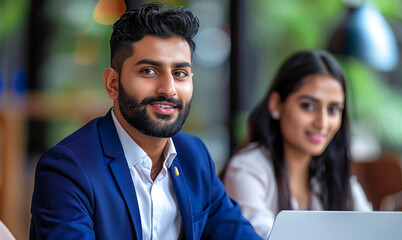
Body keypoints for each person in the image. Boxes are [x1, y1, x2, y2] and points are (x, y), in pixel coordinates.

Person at [30, 3, 261, 240]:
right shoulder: (68, 168)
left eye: (179, 73)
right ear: (112, 83)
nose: (168, 89)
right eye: (149, 71)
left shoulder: (195, 156)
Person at [222, 50, 372, 239]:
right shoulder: (248, 168)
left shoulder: (333, 173)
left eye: (333, 109)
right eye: (308, 106)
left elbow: (371, 230)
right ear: (276, 104)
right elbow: (261, 236)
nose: (322, 123)